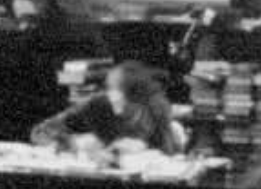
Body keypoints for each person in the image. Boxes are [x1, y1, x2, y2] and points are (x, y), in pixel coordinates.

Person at [30, 60, 185, 156]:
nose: (111, 95)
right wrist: (75, 144)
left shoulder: (157, 109)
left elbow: (170, 154)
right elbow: (40, 132)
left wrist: (142, 150)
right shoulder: (96, 104)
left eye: (117, 89)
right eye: (109, 88)